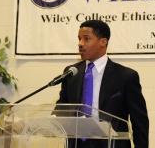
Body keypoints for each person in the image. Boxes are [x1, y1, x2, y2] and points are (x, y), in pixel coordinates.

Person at [55, 20, 149, 148]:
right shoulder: (71, 73)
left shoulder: (126, 76)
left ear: (103, 42)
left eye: (86, 39)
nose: (80, 44)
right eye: (79, 39)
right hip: (77, 144)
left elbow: (140, 121)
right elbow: (63, 108)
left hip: (111, 144)